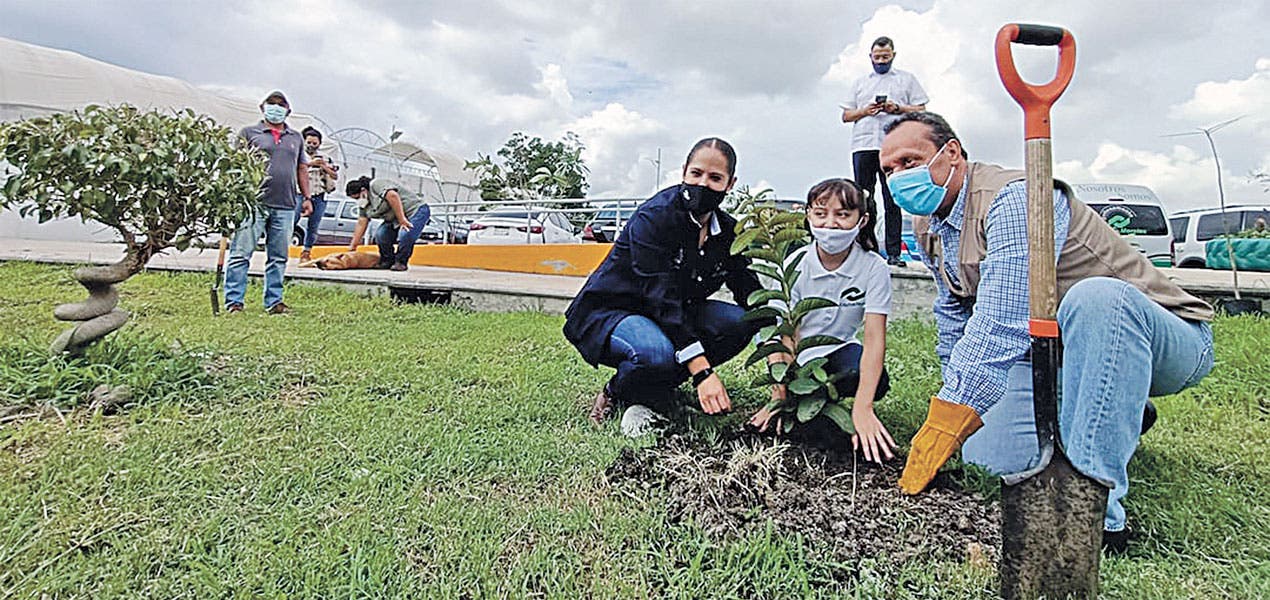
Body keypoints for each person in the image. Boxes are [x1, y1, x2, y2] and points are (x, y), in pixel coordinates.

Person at [879, 112, 1215, 552]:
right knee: (992, 459)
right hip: (1055, 350)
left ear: (952, 152)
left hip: (1162, 337)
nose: (899, 177)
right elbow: (954, 312)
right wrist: (952, 408)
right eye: (889, 169)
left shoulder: (1016, 198)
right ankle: (1110, 406)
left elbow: (1002, 321)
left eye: (910, 161)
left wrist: (945, 422)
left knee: (1096, 297)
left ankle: (1095, 516)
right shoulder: (929, 223)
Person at [564, 138, 764, 433]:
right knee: (655, 353)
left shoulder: (729, 232)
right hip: (614, 312)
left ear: (730, 184)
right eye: (696, 173)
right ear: (683, 171)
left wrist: (777, 350)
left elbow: (750, 291)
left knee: (739, 322)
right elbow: (659, 295)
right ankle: (614, 392)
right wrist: (702, 372)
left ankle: (656, 389)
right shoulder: (655, 217)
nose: (703, 184)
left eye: (715, 178)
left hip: (671, 314)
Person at [748, 178, 897, 462]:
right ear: (808, 215)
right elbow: (782, 333)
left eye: (843, 214)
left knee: (872, 380)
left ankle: (831, 402)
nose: (831, 224)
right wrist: (779, 397)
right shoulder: (795, 264)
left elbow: (875, 338)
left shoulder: (873, 267)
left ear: (862, 220)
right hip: (797, 358)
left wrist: (863, 407)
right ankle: (806, 403)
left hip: (839, 349)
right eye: (821, 213)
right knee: (808, 425)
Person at [841, 36, 928, 267]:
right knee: (864, 198)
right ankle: (864, 246)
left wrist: (896, 108)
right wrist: (866, 111)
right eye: (877, 57)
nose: (881, 61)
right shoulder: (860, 82)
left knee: (893, 199)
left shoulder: (906, 80)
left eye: (885, 57)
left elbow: (921, 109)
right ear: (870, 57)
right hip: (864, 145)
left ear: (893, 55)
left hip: (894, 147)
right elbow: (846, 115)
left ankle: (894, 253)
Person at [225, 90, 312, 314]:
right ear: (263, 108)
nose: (276, 108)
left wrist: (307, 197)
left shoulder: (296, 138)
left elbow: (302, 168)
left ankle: (274, 301)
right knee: (241, 253)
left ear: (288, 111)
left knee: (279, 256)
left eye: (280, 104)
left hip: (285, 204)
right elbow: (234, 164)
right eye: (271, 104)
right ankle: (234, 301)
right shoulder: (249, 133)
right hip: (253, 203)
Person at [344, 176, 431, 271]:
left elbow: (393, 196)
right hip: (394, 218)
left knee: (406, 234)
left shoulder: (376, 185)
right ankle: (387, 260)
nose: (358, 200)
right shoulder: (364, 205)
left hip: (415, 211)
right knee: (381, 235)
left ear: (363, 190)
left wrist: (402, 220)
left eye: (357, 197)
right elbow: (361, 223)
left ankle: (401, 262)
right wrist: (353, 246)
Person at [296, 126, 339, 262]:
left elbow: (335, 176)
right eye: (309, 142)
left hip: (319, 194)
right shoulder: (298, 155)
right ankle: (282, 249)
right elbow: (293, 170)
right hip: (299, 193)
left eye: (315, 143)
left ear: (320, 143)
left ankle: (306, 252)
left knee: (314, 225)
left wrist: (323, 166)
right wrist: (310, 164)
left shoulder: (325, 157)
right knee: (292, 220)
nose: (311, 145)